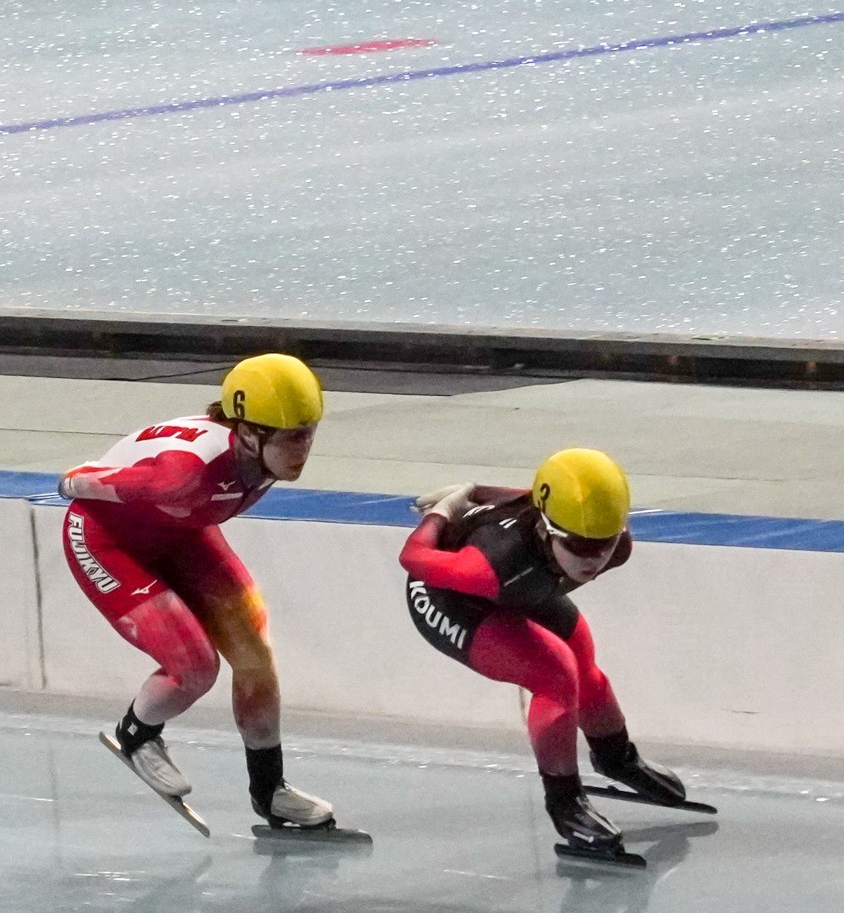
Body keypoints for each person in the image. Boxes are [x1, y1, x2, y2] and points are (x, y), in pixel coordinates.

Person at [60, 354, 337, 835]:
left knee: (255, 655)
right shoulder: (185, 473)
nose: (304, 449)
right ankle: (137, 734)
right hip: (107, 540)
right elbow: (76, 481)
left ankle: (269, 789)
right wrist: (74, 479)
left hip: (182, 531)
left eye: (310, 433)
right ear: (248, 432)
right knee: (194, 666)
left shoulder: (258, 450)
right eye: (293, 437)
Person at [399, 448, 688, 866]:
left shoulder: (611, 543)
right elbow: (413, 558)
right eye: (579, 545)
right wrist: (441, 514)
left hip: (522, 583)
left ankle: (617, 758)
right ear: (547, 529)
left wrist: (477, 490)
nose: (593, 558)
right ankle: (565, 803)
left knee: (581, 652)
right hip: (446, 594)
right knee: (554, 673)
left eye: (604, 544)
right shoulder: (490, 563)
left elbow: (530, 495)